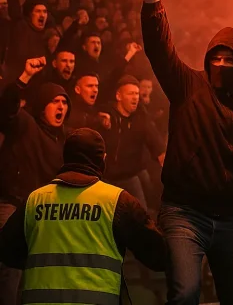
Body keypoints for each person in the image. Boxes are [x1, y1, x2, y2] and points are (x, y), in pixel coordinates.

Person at [137, 0, 233, 304]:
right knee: (185, 294)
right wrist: (153, 0)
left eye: (231, 60)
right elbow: (160, 50)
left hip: (231, 219)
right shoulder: (188, 86)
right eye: (218, 57)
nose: (222, 64)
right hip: (184, 213)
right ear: (208, 57)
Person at [0, 128, 166, 303]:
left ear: (66, 158)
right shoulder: (117, 201)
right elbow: (158, 256)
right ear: (103, 159)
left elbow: (7, 252)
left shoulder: (35, 200)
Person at [0, 58, 70, 303]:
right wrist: (24, 77)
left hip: (40, 211)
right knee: (11, 270)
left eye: (64, 102)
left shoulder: (60, 142)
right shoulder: (25, 124)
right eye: (55, 101)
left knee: (37, 271)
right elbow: (6, 108)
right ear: (42, 106)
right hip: (13, 204)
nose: (61, 106)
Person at [98, 75, 166, 209]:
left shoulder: (141, 119)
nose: (135, 97)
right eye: (130, 93)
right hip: (105, 179)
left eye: (137, 94)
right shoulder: (106, 115)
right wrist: (97, 119)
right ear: (119, 96)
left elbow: (158, 146)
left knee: (142, 215)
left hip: (128, 177)